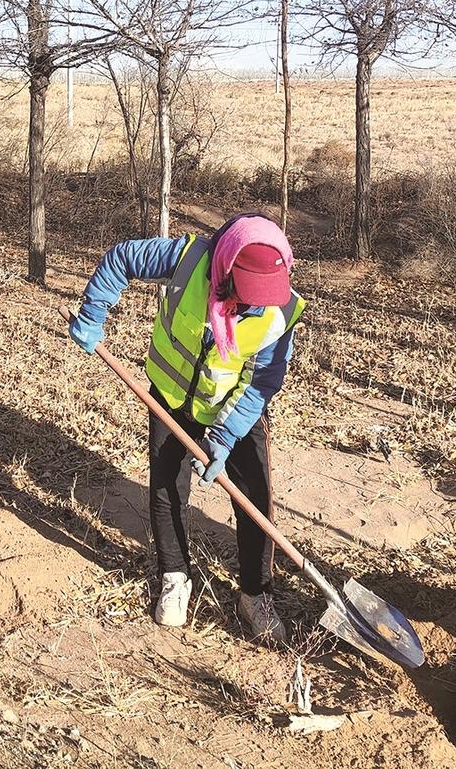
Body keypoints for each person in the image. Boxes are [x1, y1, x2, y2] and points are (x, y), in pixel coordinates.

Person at [68, 213, 304, 646]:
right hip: (172, 395)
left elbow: (261, 383)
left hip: (236, 408)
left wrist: (225, 437)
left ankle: (255, 594)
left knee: (255, 497)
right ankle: (175, 575)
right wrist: (94, 311)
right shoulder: (188, 259)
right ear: (226, 270)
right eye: (247, 295)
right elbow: (122, 258)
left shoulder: (281, 310)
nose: (255, 307)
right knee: (167, 488)